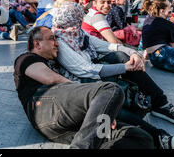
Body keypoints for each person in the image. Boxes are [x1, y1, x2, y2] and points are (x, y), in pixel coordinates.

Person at [51, 2, 174, 148]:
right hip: (83, 87)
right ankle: (160, 138)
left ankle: (160, 103)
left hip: (95, 79)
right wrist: (125, 67)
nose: (83, 18)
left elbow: (106, 46)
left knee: (120, 55)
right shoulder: (60, 40)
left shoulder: (78, 34)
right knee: (111, 102)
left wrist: (132, 53)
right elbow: (86, 69)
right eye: (80, 16)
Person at [14, 26, 154, 149]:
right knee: (109, 90)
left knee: (141, 138)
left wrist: (104, 110)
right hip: (43, 108)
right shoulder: (26, 58)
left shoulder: (55, 61)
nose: (57, 43)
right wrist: (91, 95)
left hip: (63, 127)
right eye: (51, 39)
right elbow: (51, 79)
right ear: (37, 44)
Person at [141, 0, 174, 74]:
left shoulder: (148, 20)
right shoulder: (170, 25)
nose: (172, 8)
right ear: (162, 11)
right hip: (164, 53)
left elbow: (147, 42)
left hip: (154, 59)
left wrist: (144, 59)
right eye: (170, 7)